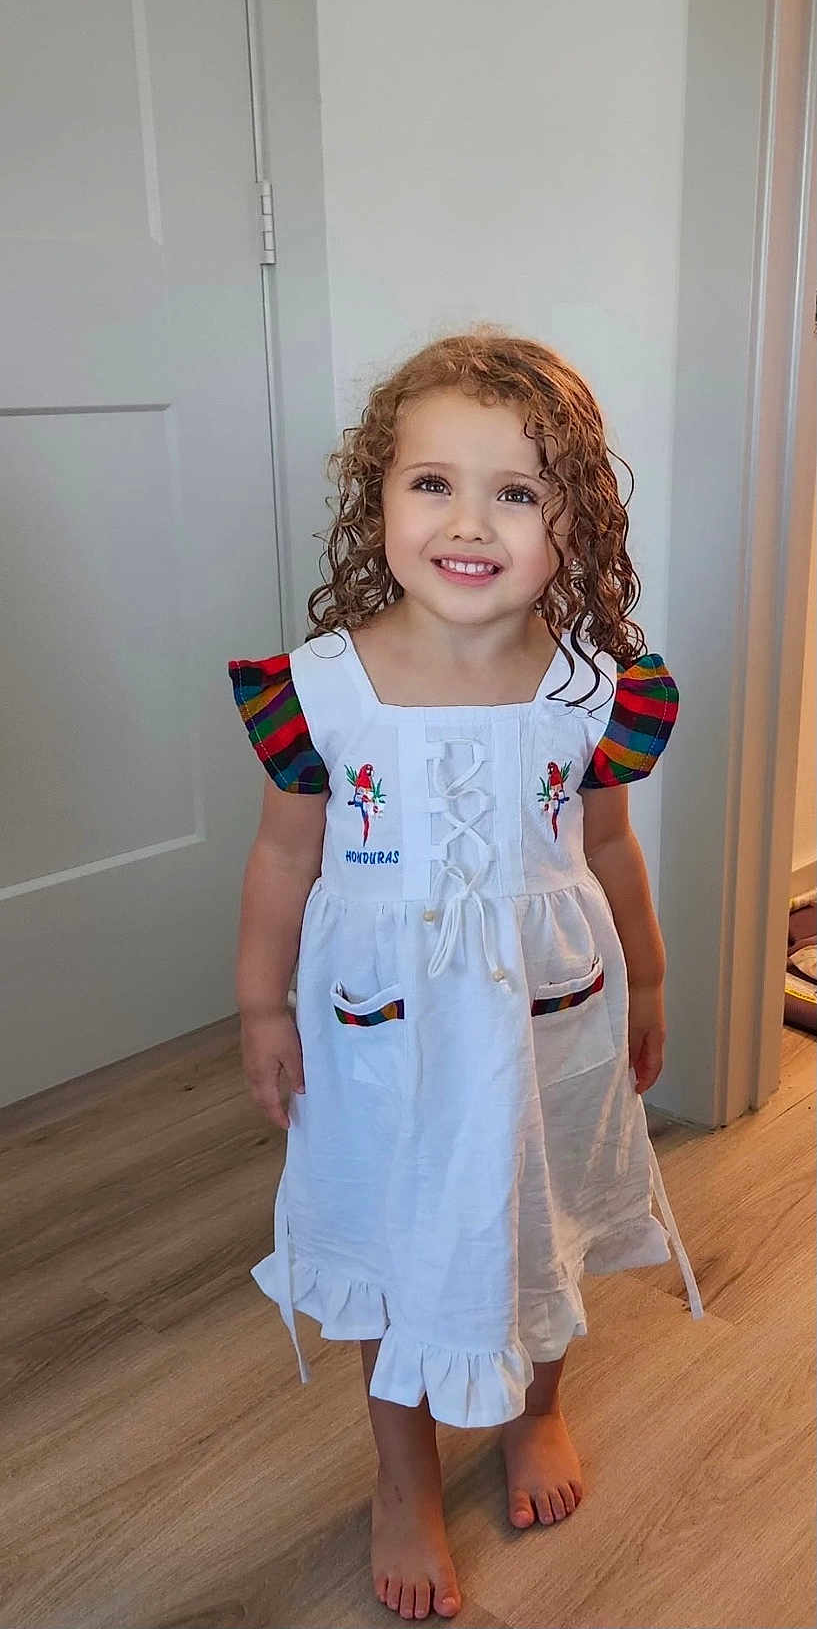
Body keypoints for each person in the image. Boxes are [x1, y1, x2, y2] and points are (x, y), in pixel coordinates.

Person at [228, 328, 703, 1623]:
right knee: (394, 1231)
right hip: (376, 1034)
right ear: (376, 496)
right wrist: (262, 1007)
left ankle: (534, 1411)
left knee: (534, 1207)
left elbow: (608, 846)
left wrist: (653, 985)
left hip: (552, 1018)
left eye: (518, 491)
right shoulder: (318, 694)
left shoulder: (595, 691)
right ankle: (403, 1474)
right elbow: (282, 860)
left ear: (574, 521)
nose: (469, 523)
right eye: (432, 482)